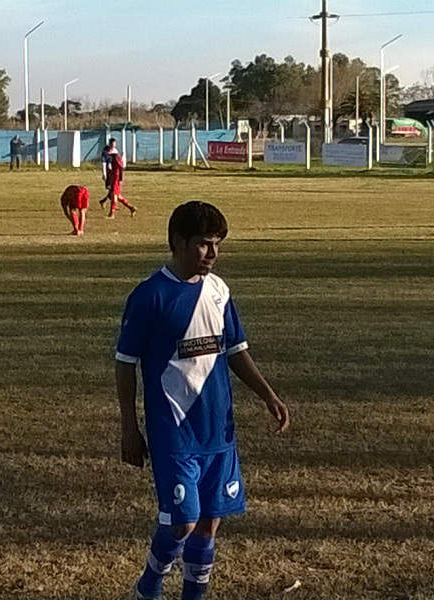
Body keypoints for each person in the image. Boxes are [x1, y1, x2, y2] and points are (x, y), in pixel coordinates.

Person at [116, 201, 290, 600]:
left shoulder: (218, 291)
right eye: (203, 244)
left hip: (218, 431)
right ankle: (149, 586)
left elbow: (236, 350)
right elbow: (125, 363)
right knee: (183, 522)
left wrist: (268, 395)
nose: (212, 253)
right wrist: (129, 427)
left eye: (217, 244)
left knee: (210, 523)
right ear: (178, 242)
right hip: (173, 430)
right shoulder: (149, 296)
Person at [105, 152, 136, 218]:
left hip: (115, 180)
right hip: (114, 179)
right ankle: (131, 208)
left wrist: (120, 178)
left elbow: (120, 167)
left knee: (114, 196)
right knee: (118, 196)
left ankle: (111, 214)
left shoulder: (115, 158)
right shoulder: (112, 158)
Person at [99, 137, 120, 208]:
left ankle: (104, 201)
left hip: (115, 172)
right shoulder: (105, 152)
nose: (113, 146)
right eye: (112, 145)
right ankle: (112, 204)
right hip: (109, 172)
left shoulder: (115, 151)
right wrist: (104, 173)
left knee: (113, 189)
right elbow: (103, 163)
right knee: (111, 188)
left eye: (114, 145)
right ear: (109, 144)